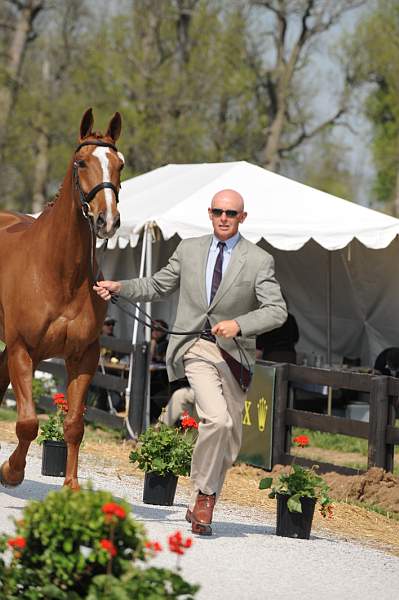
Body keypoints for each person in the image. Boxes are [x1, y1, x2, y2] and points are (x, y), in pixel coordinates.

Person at [94, 188, 287, 535]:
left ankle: (204, 491)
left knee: (230, 434)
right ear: (209, 214)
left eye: (231, 213)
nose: (224, 218)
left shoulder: (259, 260)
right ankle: (204, 496)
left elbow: (277, 310)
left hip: (234, 355)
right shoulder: (190, 249)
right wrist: (119, 286)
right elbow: (158, 284)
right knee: (215, 418)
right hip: (194, 347)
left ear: (243, 217)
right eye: (218, 212)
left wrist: (240, 324)